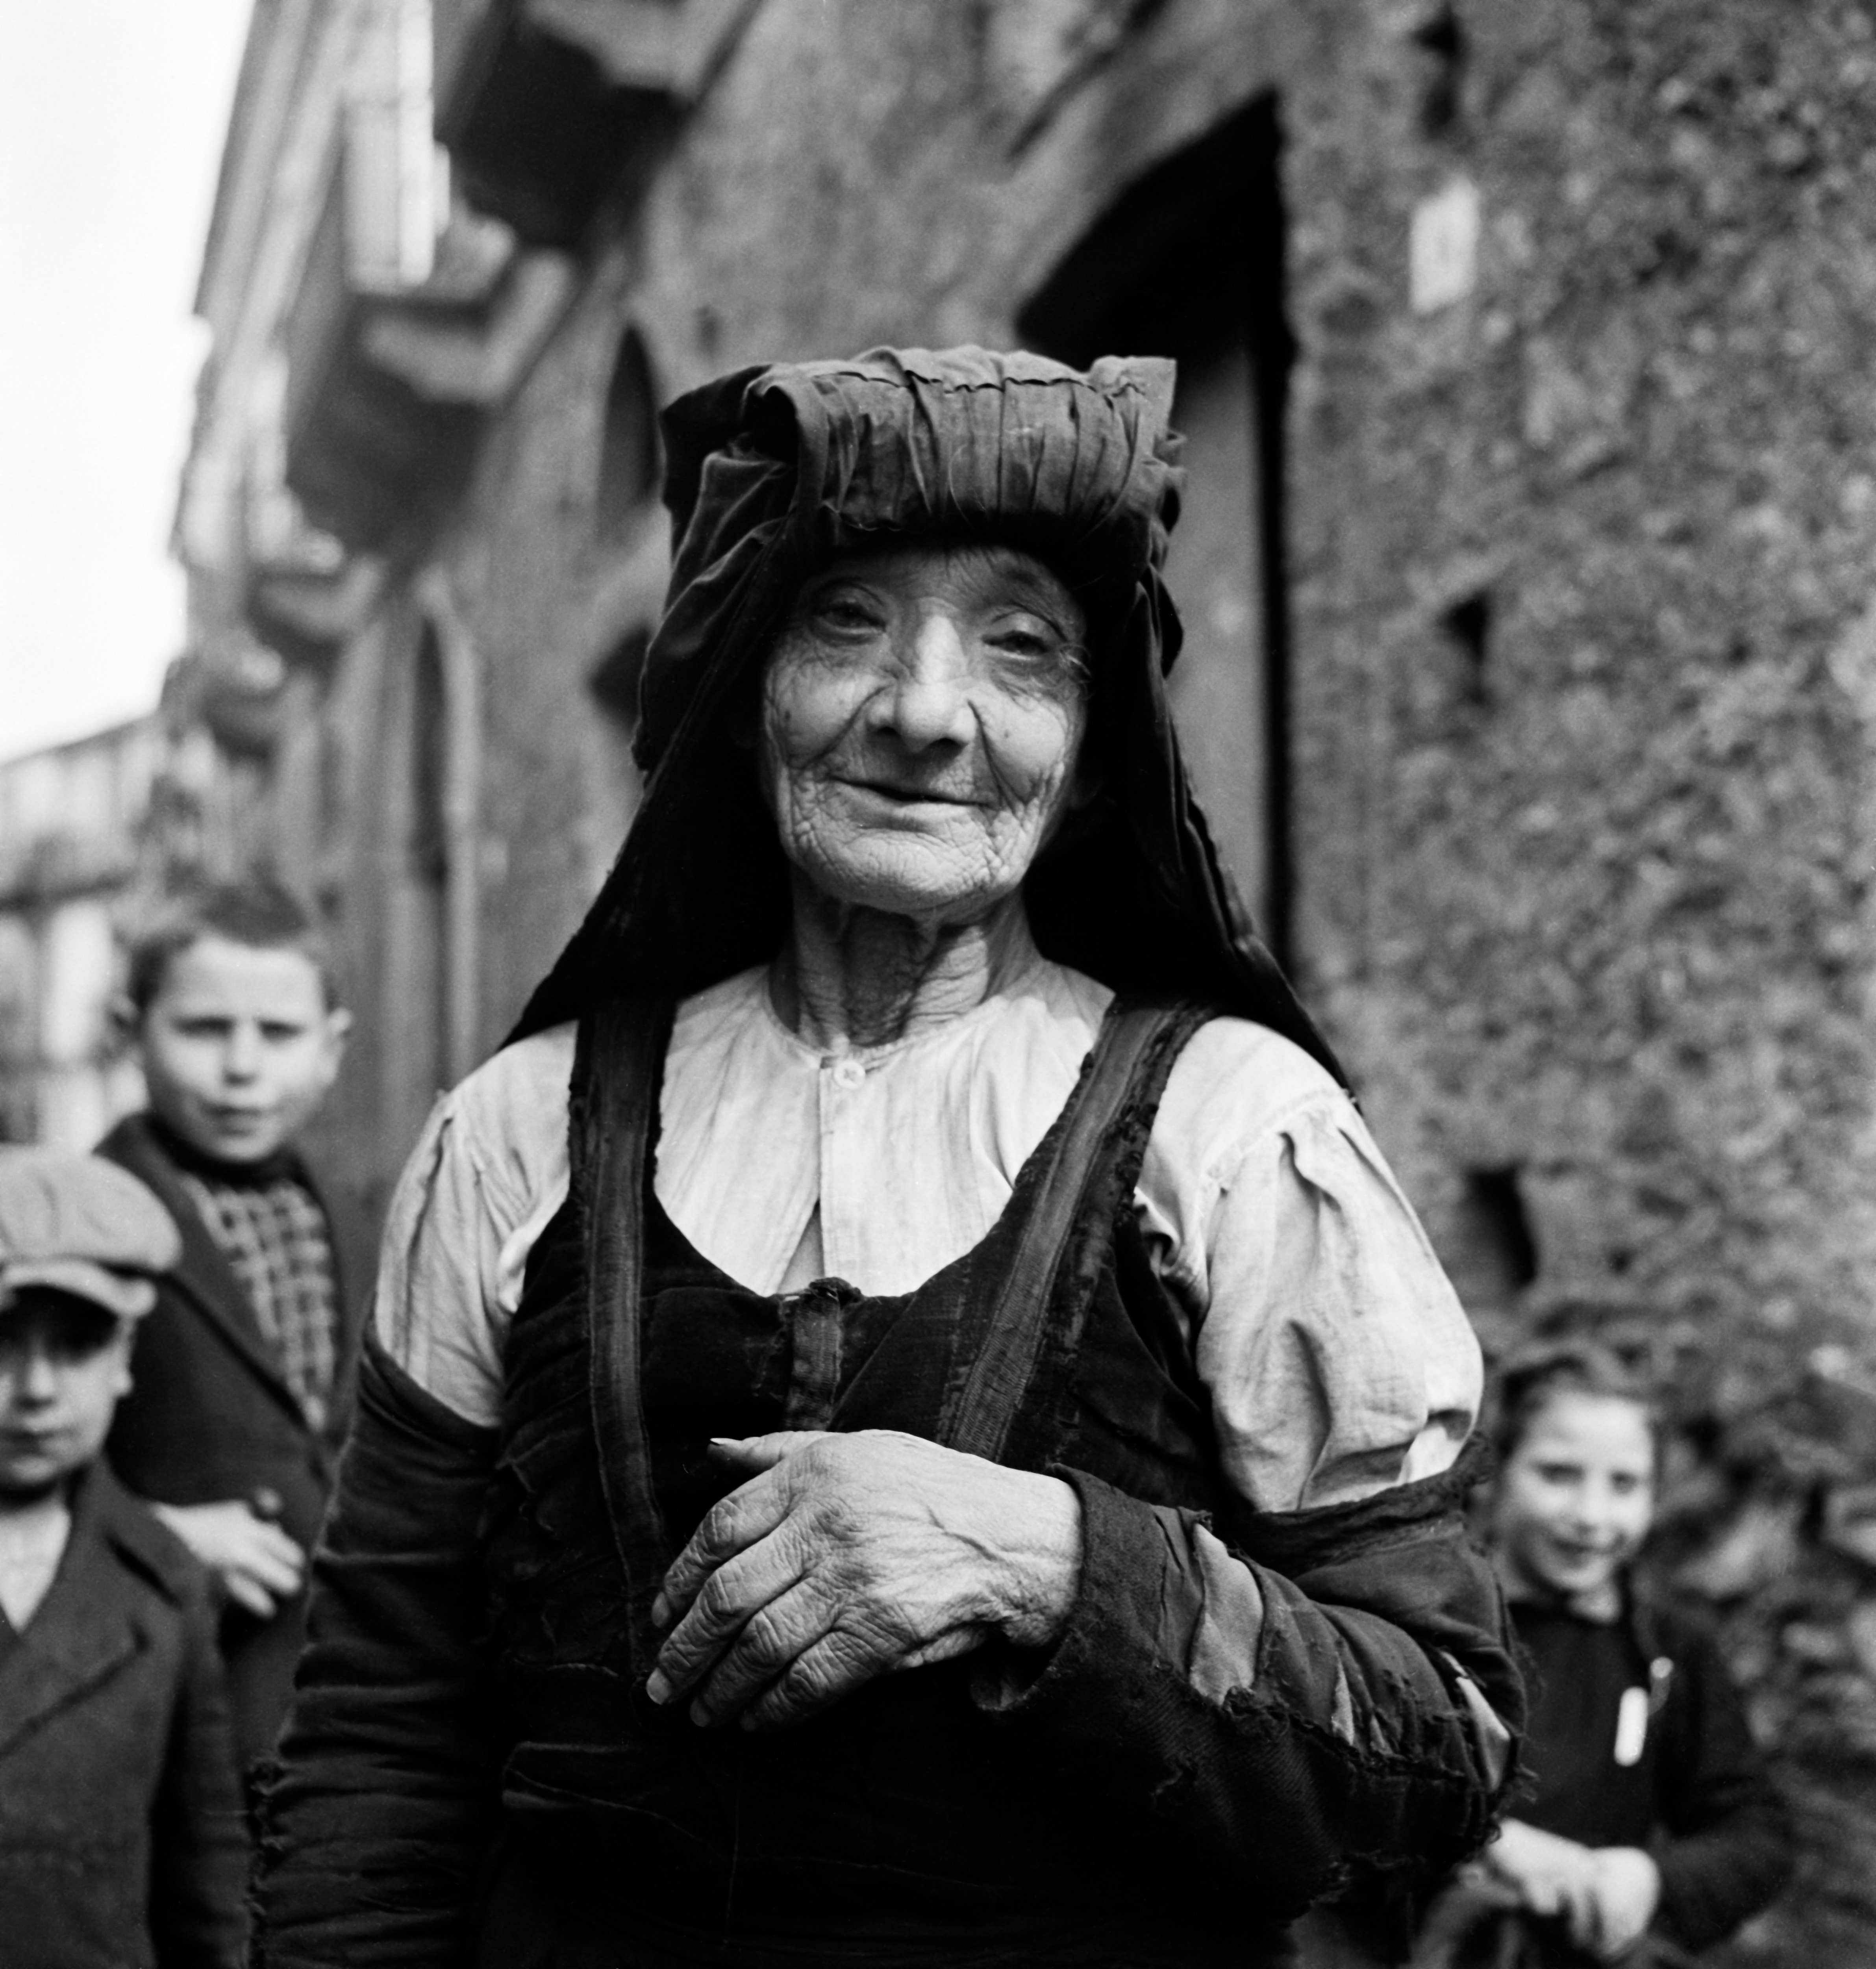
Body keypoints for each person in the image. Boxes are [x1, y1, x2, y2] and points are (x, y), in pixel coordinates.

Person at [254, 346, 1522, 1969]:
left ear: (1091, 748)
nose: (925, 712)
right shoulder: (517, 1131)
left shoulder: (1232, 1133)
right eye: (845, 623)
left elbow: (1440, 1741)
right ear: (741, 696)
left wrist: (1048, 1563)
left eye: (1019, 646)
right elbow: (380, 1729)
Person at [1412, 1342, 1793, 1967]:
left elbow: (1754, 1832)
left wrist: (1647, 1881)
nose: (1591, 1516)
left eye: (1623, 1485)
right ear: (1494, 1474)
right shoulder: (1426, 1618)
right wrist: (1486, 1843)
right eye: (1558, 1474)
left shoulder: (1667, 1652)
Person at [97, 879, 360, 1773]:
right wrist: (153, 1536)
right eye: (205, 1030)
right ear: (129, 1032)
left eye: (278, 1034)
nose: (243, 1068)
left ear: (331, 1048)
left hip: (347, 1710)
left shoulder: (357, 1214)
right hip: (170, 1709)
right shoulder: (83, 1219)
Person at [0, 1147, 247, 1969]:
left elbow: (206, 1879)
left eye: (76, 1344)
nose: (37, 1388)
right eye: (2, 1341)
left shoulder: (164, 1578)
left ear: (125, 1357)